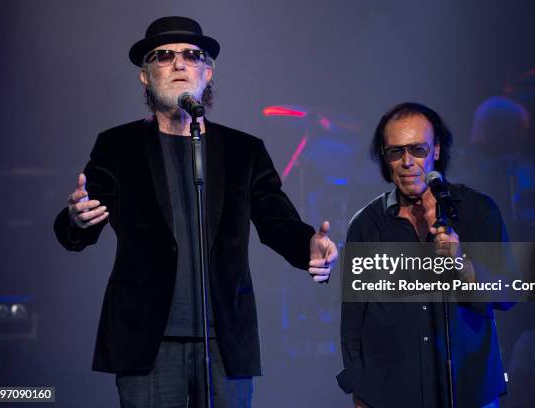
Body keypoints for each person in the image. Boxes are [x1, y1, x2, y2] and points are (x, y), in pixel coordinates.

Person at [53, 16, 337, 408]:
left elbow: (277, 221)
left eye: (191, 55)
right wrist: (75, 217)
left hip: (224, 340)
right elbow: (80, 226)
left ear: (208, 71)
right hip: (146, 343)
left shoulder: (243, 151)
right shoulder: (118, 146)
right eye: (163, 56)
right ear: (145, 76)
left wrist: (309, 245)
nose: (179, 64)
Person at [337, 102, 513, 407]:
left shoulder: (477, 211)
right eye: (396, 152)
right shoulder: (367, 225)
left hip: (468, 390)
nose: (407, 162)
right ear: (385, 157)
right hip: (390, 393)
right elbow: (354, 320)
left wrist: (461, 262)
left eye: (418, 149)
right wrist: (359, 388)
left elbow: (508, 293)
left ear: (437, 150)